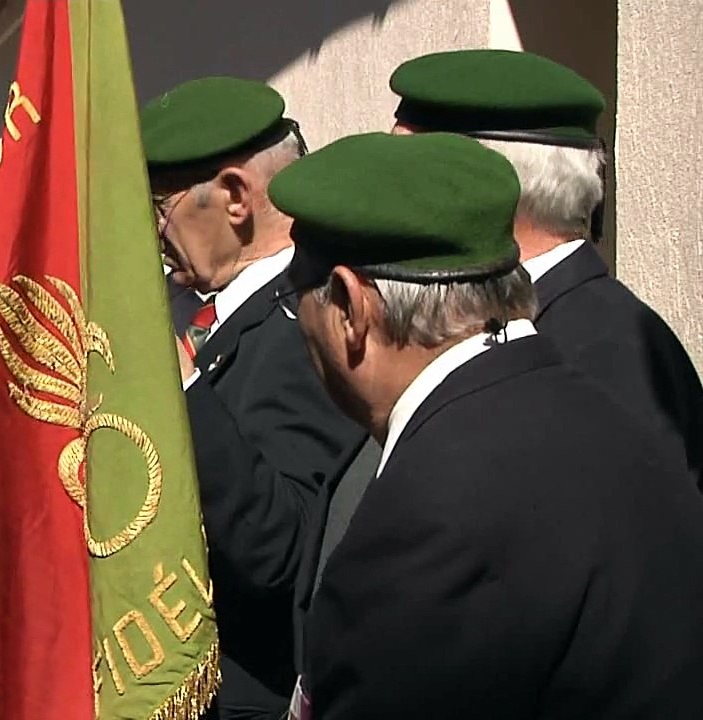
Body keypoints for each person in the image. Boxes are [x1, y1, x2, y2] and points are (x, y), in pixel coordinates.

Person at [269, 131, 703, 719]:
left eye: (297, 299)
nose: (298, 325)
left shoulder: (419, 528)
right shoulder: (613, 416)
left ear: (350, 307)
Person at [140, 76, 371, 718]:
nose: (153, 234)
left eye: (160, 207)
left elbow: (286, 546)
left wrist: (177, 387)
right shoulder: (195, 309)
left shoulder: (311, 324)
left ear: (236, 197)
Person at [389, 49, 703, 489]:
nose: (386, 199)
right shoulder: (538, 321)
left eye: (408, 171)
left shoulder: (597, 356)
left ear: (486, 189)